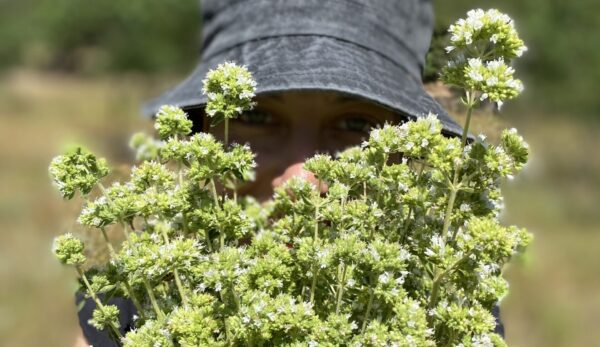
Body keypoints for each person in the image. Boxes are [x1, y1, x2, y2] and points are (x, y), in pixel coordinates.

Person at [73, 1, 502, 346]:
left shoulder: (444, 305)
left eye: (355, 125)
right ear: (201, 132)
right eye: (256, 115)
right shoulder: (137, 304)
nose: (302, 181)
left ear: (411, 150)